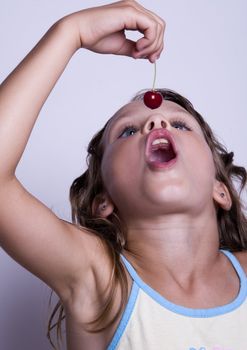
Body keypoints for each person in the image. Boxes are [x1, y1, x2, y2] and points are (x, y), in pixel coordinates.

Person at [0, 1, 247, 350]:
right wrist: (71, 32)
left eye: (179, 124)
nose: (156, 123)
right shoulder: (98, 280)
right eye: (128, 132)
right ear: (104, 201)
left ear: (220, 189)